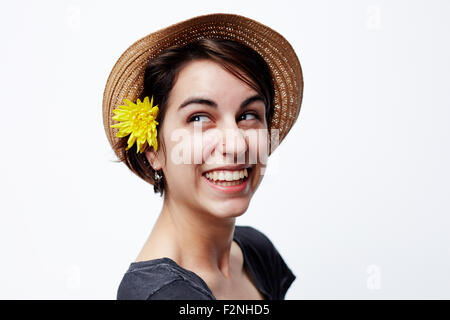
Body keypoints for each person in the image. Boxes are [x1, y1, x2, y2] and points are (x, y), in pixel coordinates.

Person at [102, 13, 304, 300]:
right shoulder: (160, 295)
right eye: (199, 118)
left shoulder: (256, 252)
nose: (235, 144)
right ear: (153, 149)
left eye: (248, 115)